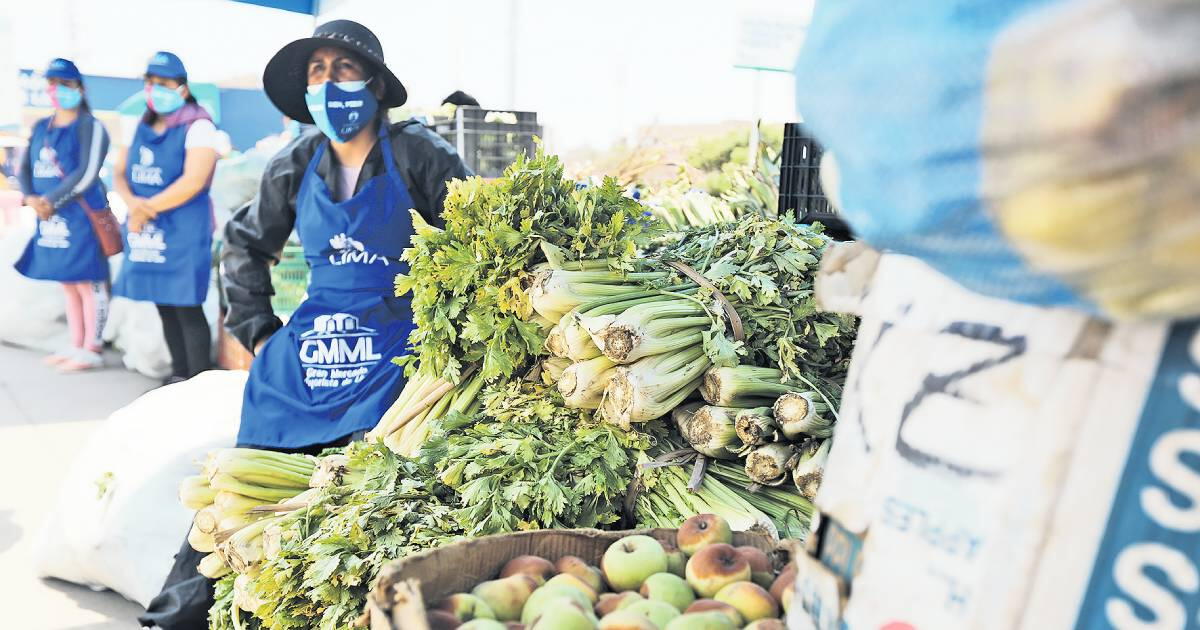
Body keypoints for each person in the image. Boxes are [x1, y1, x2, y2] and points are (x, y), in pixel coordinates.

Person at [138, 20, 470, 629]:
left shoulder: (420, 152)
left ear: (374, 82)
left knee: (357, 486)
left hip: (394, 345)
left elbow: (476, 240)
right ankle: (178, 613)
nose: (329, 83)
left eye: (343, 69)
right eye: (318, 72)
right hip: (312, 341)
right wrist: (261, 332)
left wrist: (448, 338)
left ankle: (317, 606)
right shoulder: (296, 159)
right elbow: (242, 245)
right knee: (243, 476)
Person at [111, 52, 220, 386]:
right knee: (163, 302)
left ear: (182, 89)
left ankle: (198, 382)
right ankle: (179, 374)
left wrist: (145, 208)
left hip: (184, 228)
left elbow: (194, 180)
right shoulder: (140, 125)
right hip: (147, 228)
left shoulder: (199, 125)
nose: (154, 89)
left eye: (163, 83)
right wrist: (132, 203)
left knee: (186, 303)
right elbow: (119, 172)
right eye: (149, 82)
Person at [14, 58, 112, 371]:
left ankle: (92, 348)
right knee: (67, 283)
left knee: (89, 283)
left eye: (65, 84)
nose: (58, 91)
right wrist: (31, 197)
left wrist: (50, 200)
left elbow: (86, 173)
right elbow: (25, 167)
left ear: (79, 88)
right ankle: (75, 344)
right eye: (52, 85)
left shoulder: (91, 126)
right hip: (50, 218)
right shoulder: (42, 126)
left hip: (82, 216)